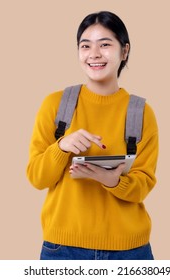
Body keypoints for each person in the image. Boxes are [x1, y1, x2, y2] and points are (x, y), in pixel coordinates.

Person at [26, 11, 159, 260]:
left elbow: (144, 184)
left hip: (129, 251)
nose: (94, 54)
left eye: (105, 44)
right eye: (85, 46)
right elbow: (37, 177)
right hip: (63, 249)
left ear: (125, 51)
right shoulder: (56, 105)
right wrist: (61, 146)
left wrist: (111, 181)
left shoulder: (141, 112)